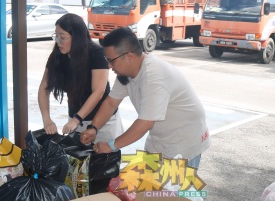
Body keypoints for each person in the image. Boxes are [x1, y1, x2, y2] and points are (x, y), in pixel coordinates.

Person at [80, 27, 210, 168]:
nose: (109, 66)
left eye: (111, 60)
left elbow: (145, 123)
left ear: (129, 56)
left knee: (174, 189)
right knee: (151, 186)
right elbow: (111, 102)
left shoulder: (153, 77)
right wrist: (94, 128)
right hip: (160, 140)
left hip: (184, 142)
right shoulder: (126, 73)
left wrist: (111, 145)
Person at [38, 13, 123, 143]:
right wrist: (46, 119)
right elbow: (44, 88)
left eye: (62, 37)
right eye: (56, 36)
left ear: (77, 37)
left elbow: (98, 91)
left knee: (103, 160)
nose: (58, 41)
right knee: (77, 161)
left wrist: (77, 119)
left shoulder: (96, 53)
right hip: (75, 120)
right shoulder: (57, 55)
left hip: (102, 122)